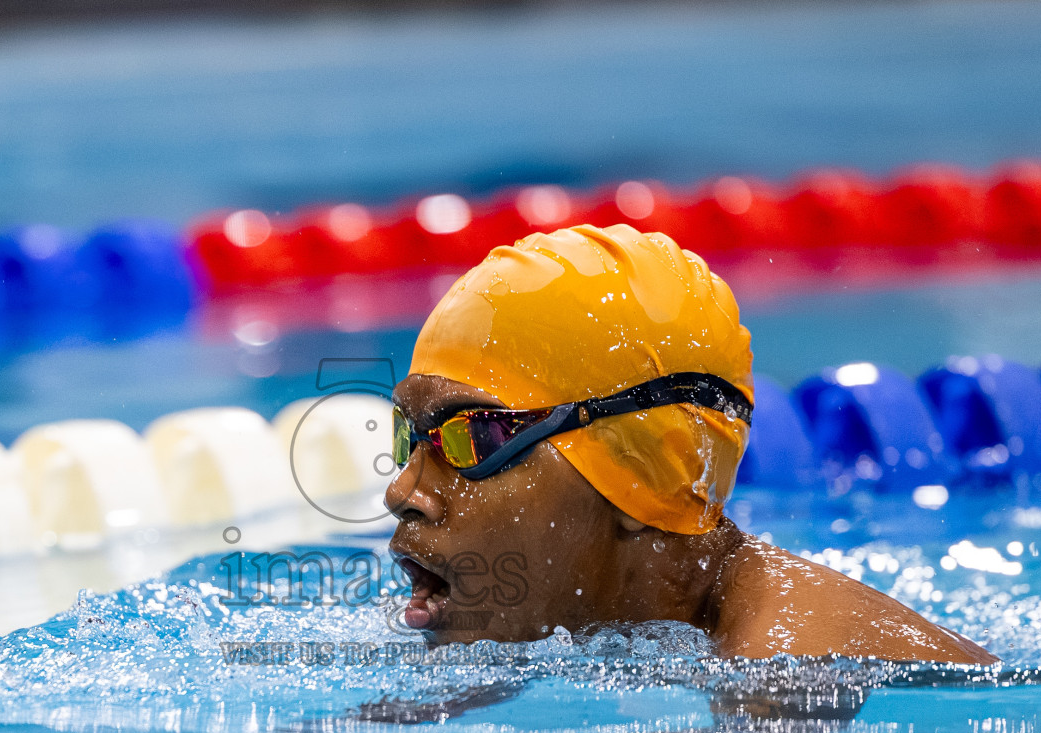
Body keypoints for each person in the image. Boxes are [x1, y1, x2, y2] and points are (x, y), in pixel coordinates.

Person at [384, 223, 995, 665]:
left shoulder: (786, 670)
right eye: (409, 437)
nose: (402, 491)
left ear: (645, 467)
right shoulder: (593, 628)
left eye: (474, 438)